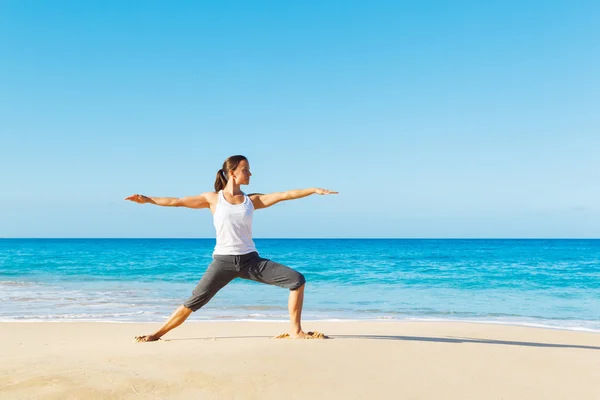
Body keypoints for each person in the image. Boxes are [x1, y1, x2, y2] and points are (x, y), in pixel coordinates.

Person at [125, 155, 338, 341]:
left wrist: (312, 190)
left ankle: (295, 331)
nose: (250, 174)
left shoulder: (251, 200)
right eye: (245, 170)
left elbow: (284, 195)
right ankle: (156, 334)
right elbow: (176, 201)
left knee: (297, 280)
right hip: (223, 262)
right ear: (232, 172)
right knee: (193, 302)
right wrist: (148, 200)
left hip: (251, 261)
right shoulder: (212, 199)